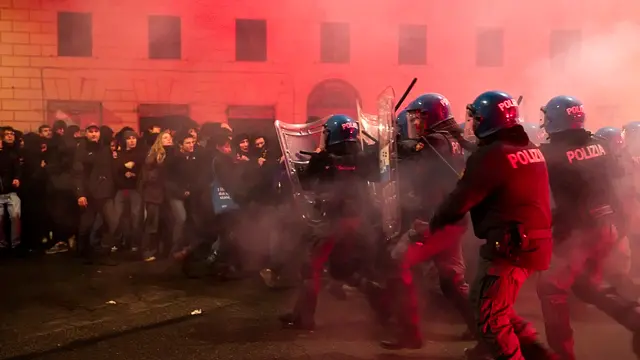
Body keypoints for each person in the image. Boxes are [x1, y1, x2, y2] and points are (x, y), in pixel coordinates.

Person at [429, 91, 556, 360]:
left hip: (510, 246)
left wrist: (436, 222)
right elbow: (495, 155)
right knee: (490, 303)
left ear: (485, 120)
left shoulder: (491, 157)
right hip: (533, 241)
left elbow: (461, 199)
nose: (472, 123)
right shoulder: (528, 148)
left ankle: (525, 354)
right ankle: (535, 352)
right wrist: (462, 140)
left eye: (475, 118)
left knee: (490, 320)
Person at [380, 93, 475, 350]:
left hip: (436, 220)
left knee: (400, 263)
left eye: (419, 117)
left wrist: (394, 147)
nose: (415, 123)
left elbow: (417, 162)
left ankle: (410, 333)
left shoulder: (434, 141)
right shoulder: (451, 139)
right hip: (451, 218)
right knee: (451, 279)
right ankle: (483, 330)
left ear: (431, 117)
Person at [536, 96, 628, 360]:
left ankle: (562, 355)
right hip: (607, 225)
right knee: (588, 285)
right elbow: (618, 183)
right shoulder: (601, 146)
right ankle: (635, 318)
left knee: (551, 288)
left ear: (555, 120)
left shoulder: (549, 154)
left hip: (578, 233)